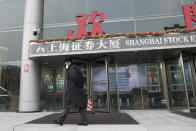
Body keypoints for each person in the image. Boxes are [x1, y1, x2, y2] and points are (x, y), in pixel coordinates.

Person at [54, 57, 88, 126]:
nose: (65, 64)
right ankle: (84, 121)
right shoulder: (74, 67)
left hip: (74, 91)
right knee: (80, 106)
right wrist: (82, 84)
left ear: (69, 62)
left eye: (65, 63)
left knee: (68, 105)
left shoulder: (71, 68)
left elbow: (75, 77)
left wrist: (82, 84)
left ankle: (60, 120)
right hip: (76, 90)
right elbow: (80, 77)